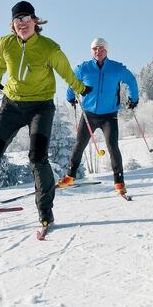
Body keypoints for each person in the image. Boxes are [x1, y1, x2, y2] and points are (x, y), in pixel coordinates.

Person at [0, 0, 91, 236]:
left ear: (35, 22)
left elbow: (65, 71)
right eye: (18, 19)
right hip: (12, 105)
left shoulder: (49, 48)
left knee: (38, 157)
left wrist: (80, 87)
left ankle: (45, 212)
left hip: (41, 107)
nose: (23, 23)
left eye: (27, 18)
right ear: (13, 24)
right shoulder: (5, 44)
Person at [57, 37, 139, 195]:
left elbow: (131, 80)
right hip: (89, 115)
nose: (98, 51)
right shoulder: (84, 68)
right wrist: (70, 97)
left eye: (101, 48)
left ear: (106, 50)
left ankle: (119, 181)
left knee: (112, 146)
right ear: (91, 50)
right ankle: (70, 176)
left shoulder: (116, 68)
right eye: (95, 48)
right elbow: (72, 81)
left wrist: (133, 98)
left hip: (109, 115)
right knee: (79, 144)